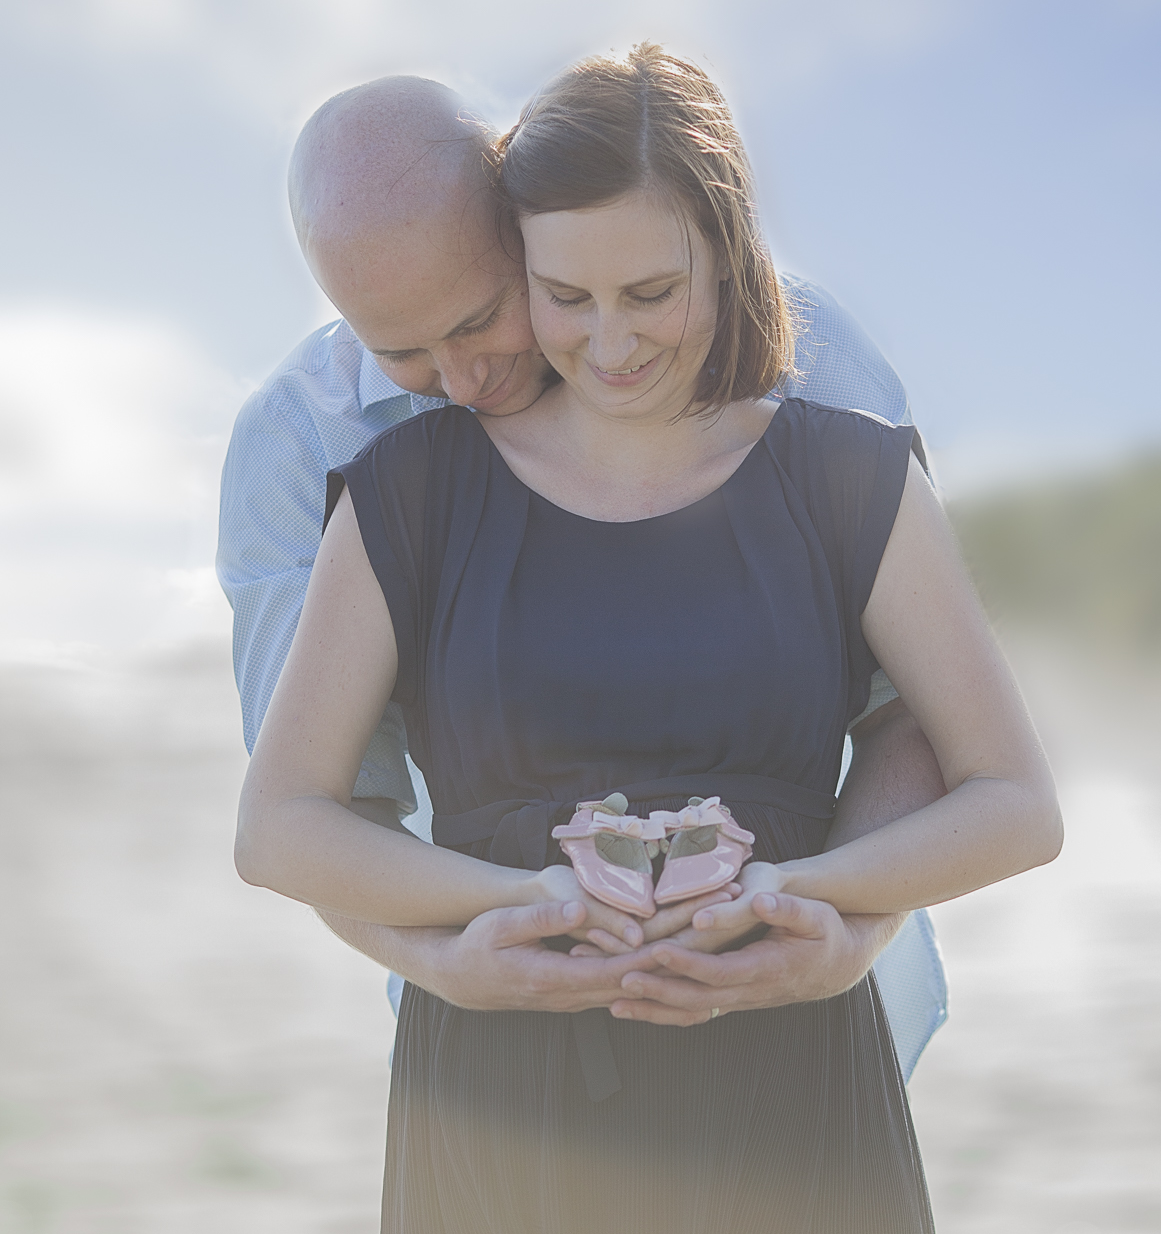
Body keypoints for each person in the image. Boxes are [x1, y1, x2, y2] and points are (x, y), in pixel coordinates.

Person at [235, 44, 1063, 1234]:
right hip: (498, 1111)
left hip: (797, 1080)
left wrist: (833, 914)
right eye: (412, 353)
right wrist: (485, 928)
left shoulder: (838, 437)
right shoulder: (367, 473)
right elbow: (293, 824)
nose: (513, 366)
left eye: (493, 317)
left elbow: (971, 762)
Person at [217, 73, 949, 1061]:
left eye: (481, 318)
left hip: (817, 1006)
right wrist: (440, 962)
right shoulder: (298, 448)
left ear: (525, 220)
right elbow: (317, 809)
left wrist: (848, 930)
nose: (466, 382)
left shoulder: (793, 342)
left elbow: (917, 709)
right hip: (508, 1019)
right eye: (405, 353)